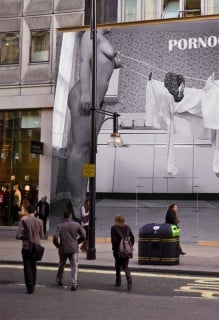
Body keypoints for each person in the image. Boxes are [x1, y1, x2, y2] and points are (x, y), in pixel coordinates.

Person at [66, 29, 121, 220]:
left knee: (89, 150)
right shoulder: (91, 33)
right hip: (85, 97)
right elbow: (84, 62)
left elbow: (101, 71)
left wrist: (114, 63)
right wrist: (85, 93)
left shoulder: (102, 38)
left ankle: (83, 198)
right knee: (80, 148)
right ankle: (76, 201)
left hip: (96, 102)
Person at [53, 210, 86, 291]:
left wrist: (57, 245)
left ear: (64, 216)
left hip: (63, 248)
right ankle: (74, 283)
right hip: (73, 248)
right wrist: (78, 242)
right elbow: (84, 235)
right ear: (71, 216)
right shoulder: (76, 224)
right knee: (74, 266)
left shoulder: (60, 226)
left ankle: (59, 280)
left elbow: (55, 237)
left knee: (61, 264)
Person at [15, 205, 43, 294]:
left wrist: (26, 237)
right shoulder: (40, 221)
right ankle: (33, 284)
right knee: (33, 266)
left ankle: (29, 286)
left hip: (26, 246)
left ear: (27, 211)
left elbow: (18, 235)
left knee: (27, 267)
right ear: (35, 212)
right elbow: (42, 235)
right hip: (36, 247)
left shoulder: (24, 221)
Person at [111, 214, 134, 290]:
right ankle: (129, 279)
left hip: (118, 250)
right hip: (126, 251)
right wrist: (130, 246)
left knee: (117, 265)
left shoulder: (114, 228)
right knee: (125, 266)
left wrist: (115, 248)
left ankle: (118, 282)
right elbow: (133, 237)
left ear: (116, 220)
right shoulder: (127, 227)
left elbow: (113, 241)